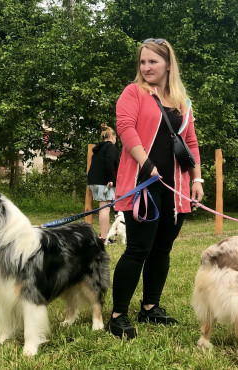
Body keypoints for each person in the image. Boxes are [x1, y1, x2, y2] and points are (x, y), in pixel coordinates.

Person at [108, 38, 203, 339]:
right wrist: (147, 166)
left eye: (153, 62)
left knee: (162, 249)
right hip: (143, 183)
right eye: (142, 62)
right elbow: (126, 129)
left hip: (176, 188)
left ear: (168, 64)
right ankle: (118, 314)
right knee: (137, 249)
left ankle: (150, 307)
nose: (147, 67)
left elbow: (191, 143)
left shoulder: (183, 101)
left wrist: (197, 179)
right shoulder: (133, 92)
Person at [87, 124, 120, 241]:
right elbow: (109, 163)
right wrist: (111, 179)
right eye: (115, 138)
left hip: (93, 181)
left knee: (103, 206)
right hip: (104, 181)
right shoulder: (110, 147)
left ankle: (103, 234)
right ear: (112, 136)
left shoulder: (98, 148)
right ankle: (104, 236)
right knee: (105, 208)